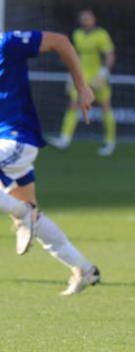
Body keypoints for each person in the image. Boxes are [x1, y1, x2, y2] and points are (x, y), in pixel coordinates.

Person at [0, 29, 102, 295]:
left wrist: (81, 85)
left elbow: (60, 41)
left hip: (17, 140)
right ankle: (84, 269)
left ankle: (23, 212)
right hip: (8, 147)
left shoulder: (7, 43)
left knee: (23, 213)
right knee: (33, 217)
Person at [52, 9, 117, 156]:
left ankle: (110, 141)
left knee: (105, 106)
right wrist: (70, 74)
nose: (86, 21)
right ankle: (65, 139)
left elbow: (110, 55)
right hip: (81, 76)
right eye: (83, 18)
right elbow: (74, 55)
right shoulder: (77, 34)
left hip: (97, 77)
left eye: (88, 18)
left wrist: (104, 72)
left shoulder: (101, 34)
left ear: (94, 19)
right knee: (73, 103)